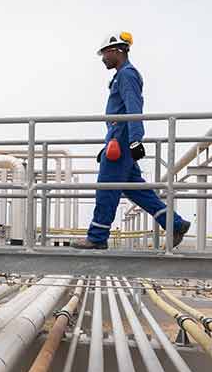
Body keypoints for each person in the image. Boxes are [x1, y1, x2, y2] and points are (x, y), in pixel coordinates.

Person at [71, 31, 190, 250]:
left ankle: (97, 237)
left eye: (105, 54)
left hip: (120, 140)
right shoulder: (123, 74)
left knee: (107, 188)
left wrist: (135, 140)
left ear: (117, 51)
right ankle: (175, 223)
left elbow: (134, 108)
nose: (103, 59)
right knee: (136, 189)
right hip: (120, 137)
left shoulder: (127, 74)